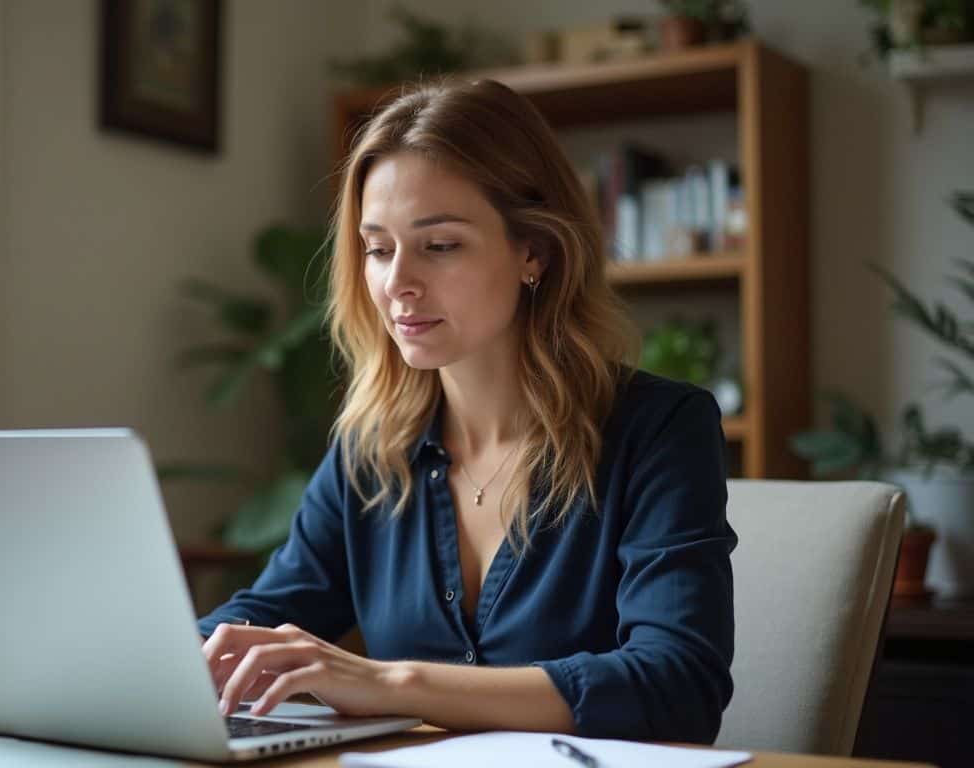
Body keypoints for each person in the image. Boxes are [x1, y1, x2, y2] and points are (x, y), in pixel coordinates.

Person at [197, 78, 736, 744]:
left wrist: (390, 684)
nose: (397, 284)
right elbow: (261, 615)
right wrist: (176, 662)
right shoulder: (371, 449)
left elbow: (679, 686)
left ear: (533, 252)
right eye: (377, 248)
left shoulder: (659, 429)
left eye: (440, 245)